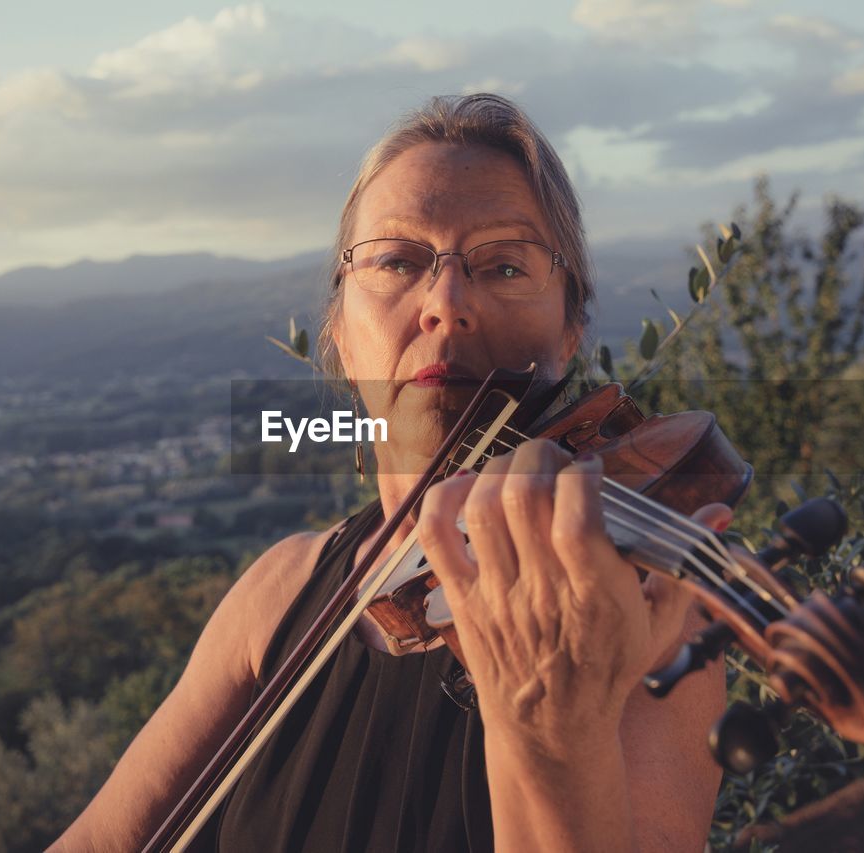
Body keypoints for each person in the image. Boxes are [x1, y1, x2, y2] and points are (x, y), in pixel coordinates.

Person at [53, 93, 730, 852]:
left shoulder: (642, 619)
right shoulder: (280, 595)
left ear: (570, 329)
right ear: (340, 332)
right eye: (397, 261)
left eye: (504, 264)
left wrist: (554, 726)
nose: (446, 303)